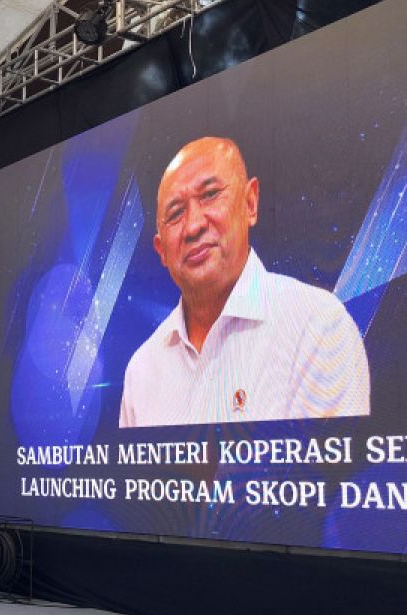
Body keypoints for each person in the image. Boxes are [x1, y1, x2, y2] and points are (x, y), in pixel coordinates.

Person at [120, 137, 370, 427]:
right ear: (161, 250)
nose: (194, 225)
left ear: (250, 203)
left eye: (210, 194)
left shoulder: (317, 325)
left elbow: (338, 470)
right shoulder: (142, 369)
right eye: (175, 214)